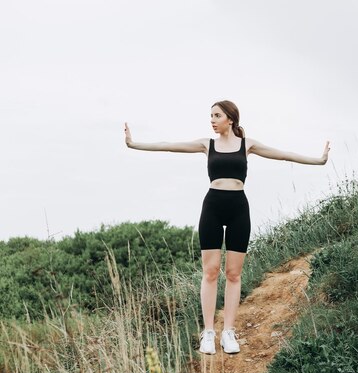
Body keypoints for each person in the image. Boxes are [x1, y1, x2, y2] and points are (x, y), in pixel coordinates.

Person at [124, 100, 330, 354]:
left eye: (216, 115)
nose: (212, 120)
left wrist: (318, 160)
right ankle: (208, 333)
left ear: (230, 119)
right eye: (210, 115)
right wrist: (134, 144)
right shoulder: (206, 145)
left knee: (233, 274)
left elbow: (284, 154)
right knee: (210, 272)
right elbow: (168, 146)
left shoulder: (248, 145)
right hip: (212, 207)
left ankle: (228, 332)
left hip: (238, 209)